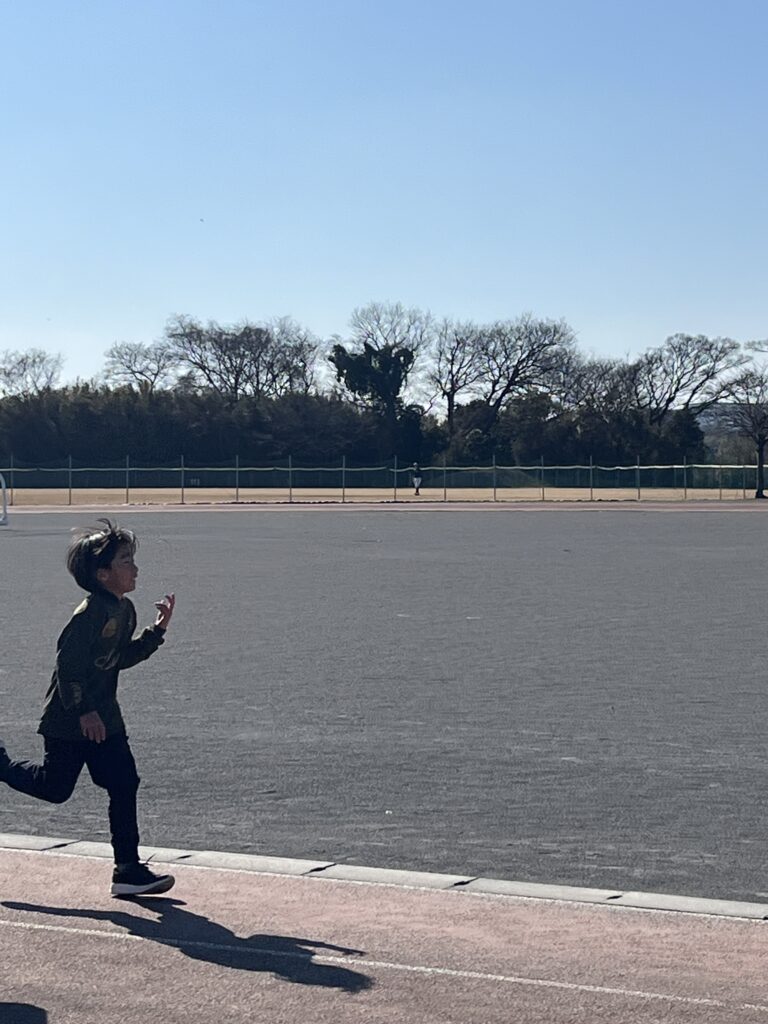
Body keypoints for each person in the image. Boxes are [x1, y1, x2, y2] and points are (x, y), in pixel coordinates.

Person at [0, 519, 176, 897]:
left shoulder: (124, 610)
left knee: (124, 782)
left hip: (106, 719)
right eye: (126, 561)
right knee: (55, 789)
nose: (135, 568)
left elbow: (118, 659)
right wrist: (83, 712)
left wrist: (156, 632)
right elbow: (68, 667)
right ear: (102, 574)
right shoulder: (88, 614)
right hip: (69, 720)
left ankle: (127, 869)